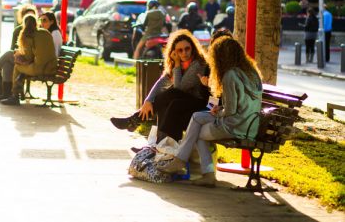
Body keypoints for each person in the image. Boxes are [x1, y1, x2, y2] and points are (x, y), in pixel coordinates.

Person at [158, 36, 262, 187]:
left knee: (198, 132)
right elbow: (238, 105)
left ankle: (188, 164)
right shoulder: (252, 72)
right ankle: (189, 165)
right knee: (197, 118)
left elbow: (231, 110)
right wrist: (219, 110)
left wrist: (217, 112)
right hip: (250, 124)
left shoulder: (229, 75)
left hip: (235, 126)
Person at [111, 30, 209, 144]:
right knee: (164, 102)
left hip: (199, 102)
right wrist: (148, 100)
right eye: (180, 50)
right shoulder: (181, 63)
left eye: (187, 49)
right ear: (174, 52)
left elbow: (179, 88)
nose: (184, 53)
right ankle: (159, 144)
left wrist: (177, 64)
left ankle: (135, 121)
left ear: (193, 48)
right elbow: (161, 81)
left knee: (172, 94)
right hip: (183, 101)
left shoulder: (198, 64)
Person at [1, 15, 58, 106]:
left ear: (24, 24)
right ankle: (19, 92)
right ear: (36, 23)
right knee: (23, 67)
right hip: (53, 67)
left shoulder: (28, 35)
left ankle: (15, 96)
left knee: (17, 67)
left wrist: (20, 57)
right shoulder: (46, 32)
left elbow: (28, 58)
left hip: (39, 69)